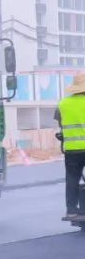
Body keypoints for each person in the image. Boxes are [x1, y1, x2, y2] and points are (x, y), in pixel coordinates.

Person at [56, 72, 85, 219]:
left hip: (72, 150)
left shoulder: (63, 104)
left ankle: (72, 209)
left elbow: (60, 123)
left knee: (72, 179)